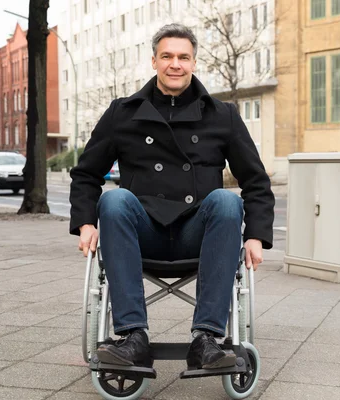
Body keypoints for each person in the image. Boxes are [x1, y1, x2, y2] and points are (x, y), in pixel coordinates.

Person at [69, 23, 274, 370]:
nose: (175, 64)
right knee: (114, 200)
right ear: (154, 61)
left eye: (183, 57)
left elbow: (255, 179)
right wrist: (85, 222)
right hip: (142, 234)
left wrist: (255, 235)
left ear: (194, 63)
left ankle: (207, 340)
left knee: (227, 200)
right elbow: (87, 173)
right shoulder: (124, 113)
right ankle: (133, 337)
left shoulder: (222, 115)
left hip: (198, 236)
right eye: (167, 56)